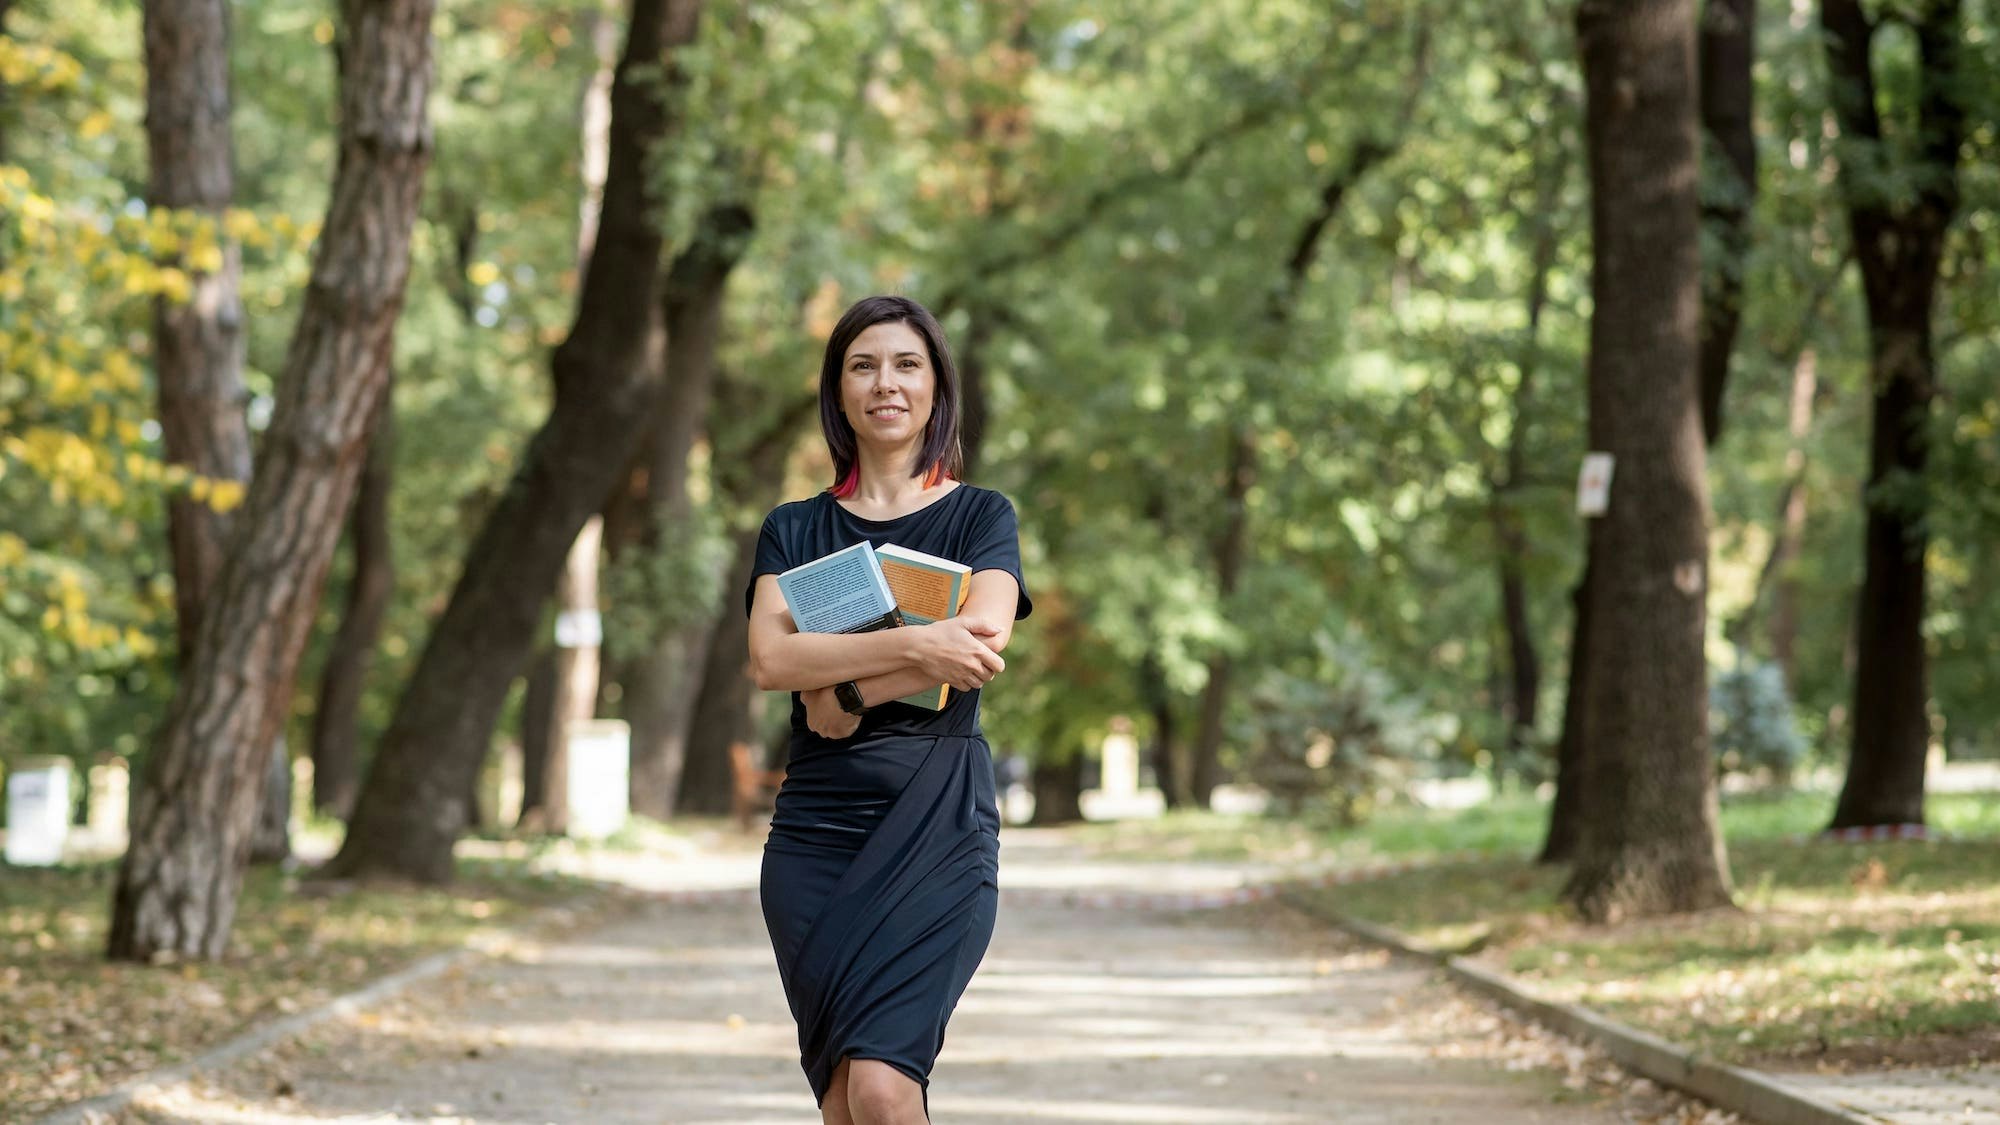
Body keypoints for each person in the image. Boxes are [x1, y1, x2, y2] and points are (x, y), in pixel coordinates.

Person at [744, 295, 1032, 1125]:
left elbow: (978, 640)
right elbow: (769, 657)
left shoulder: (982, 514)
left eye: (908, 364)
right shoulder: (794, 527)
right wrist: (912, 648)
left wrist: (840, 687)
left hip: (937, 823)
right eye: (863, 365)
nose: (886, 383)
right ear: (838, 392)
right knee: (841, 1098)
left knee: (882, 1085)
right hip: (814, 835)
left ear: (938, 388)